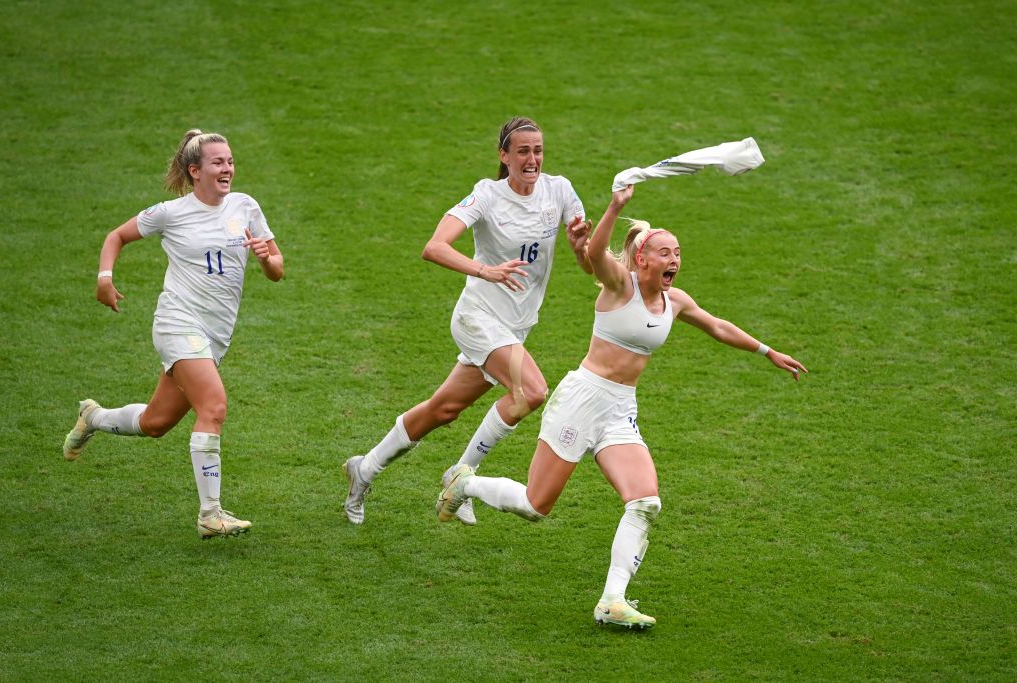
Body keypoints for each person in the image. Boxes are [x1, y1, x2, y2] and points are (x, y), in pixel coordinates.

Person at [437, 184, 807, 629]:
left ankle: (612, 600)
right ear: (643, 260)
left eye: (678, 252)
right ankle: (465, 484)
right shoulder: (618, 286)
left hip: (619, 408)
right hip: (580, 400)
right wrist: (615, 206)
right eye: (665, 252)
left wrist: (767, 351)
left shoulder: (675, 300)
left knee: (645, 502)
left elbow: (717, 326)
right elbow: (594, 252)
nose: (675, 260)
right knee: (536, 506)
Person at [342, 116, 592, 525]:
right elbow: (434, 247)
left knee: (444, 409)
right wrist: (484, 271)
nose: (533, 159)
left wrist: (582, 248)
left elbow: (587, 264)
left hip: (514, 327)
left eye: (538, 150)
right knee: (531, 391)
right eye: (523, 151)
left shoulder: (559, 190)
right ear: (504, 156)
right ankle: (461, 477)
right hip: (478, 318)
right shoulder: (487, 196)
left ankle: (363, 470)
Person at [62, 129, 284, 539]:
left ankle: (92, 417)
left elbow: (277, 271)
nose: (228, 169)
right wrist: (104, 277)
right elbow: (117, 236)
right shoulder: (171, 213)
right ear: (195, 171)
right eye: (218, 163)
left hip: (215, 335)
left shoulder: (246, 207)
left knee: (155, 422)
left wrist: (268, 258)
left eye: (230, 161)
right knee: (214, 407)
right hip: (178, 323)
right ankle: (210, 514)